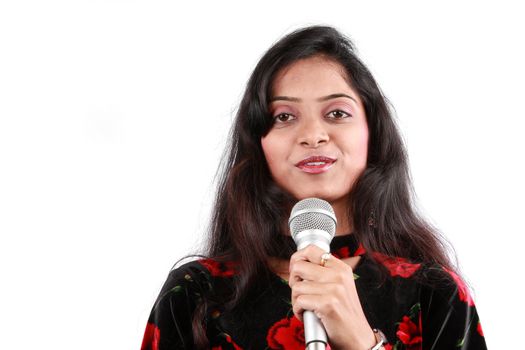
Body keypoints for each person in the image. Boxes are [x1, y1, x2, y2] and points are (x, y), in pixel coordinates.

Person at [141, 25, 487, 349]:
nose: (312, 135)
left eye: (337, 113)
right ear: (258, 144)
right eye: (284, 116)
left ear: (372, 133)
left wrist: (363, 342)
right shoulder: (195, 294)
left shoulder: (433, 295)